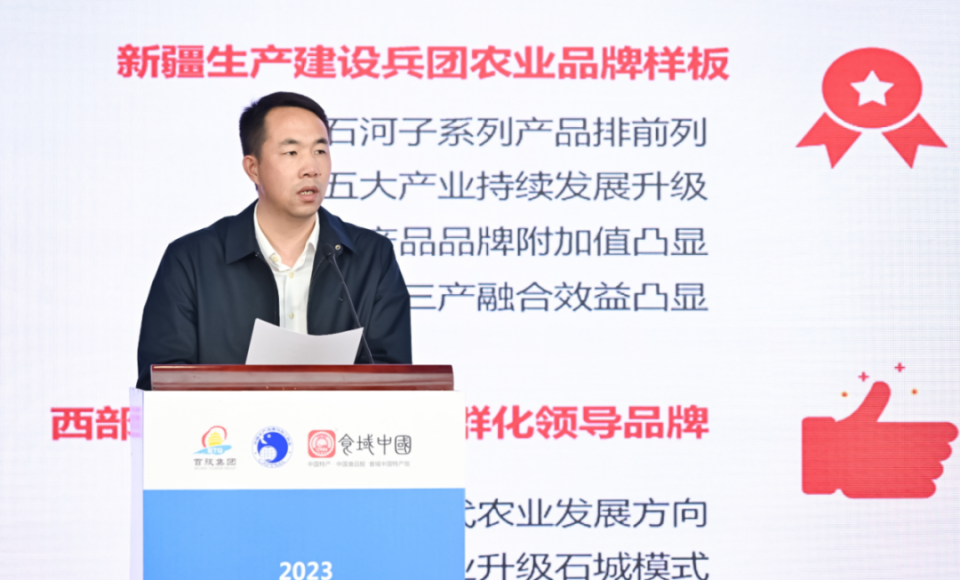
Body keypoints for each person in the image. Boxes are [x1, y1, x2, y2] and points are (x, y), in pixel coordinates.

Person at [136, 92, 411, 389]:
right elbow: (162, 383)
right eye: (291, 153)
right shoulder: (190, 260)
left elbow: (393, 379)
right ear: (253, 168)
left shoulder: (373, 257)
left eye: (320, 150)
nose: (312, 168)